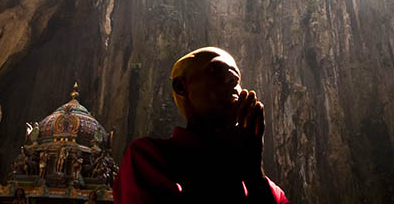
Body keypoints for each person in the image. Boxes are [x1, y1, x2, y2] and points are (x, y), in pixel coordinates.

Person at [113, 47, 288, 203]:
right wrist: (230, 174)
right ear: (182, 86)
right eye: (216, 70)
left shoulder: (269, 188)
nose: (234, 78)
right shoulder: (149, 157)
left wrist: (254, 175)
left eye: (237, 77)